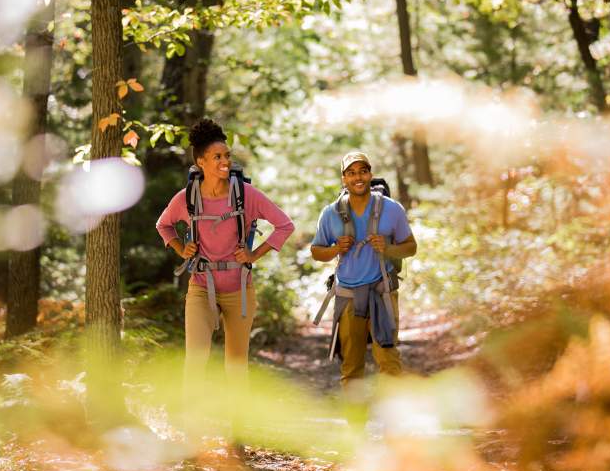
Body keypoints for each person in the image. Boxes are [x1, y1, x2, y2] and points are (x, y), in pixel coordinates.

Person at [156, 118, 294, 395]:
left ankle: (236, 433)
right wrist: (182, 249)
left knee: (236, 365)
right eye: (217, 156)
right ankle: (192, 431)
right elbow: (164, 225)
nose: (225, 161)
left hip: (239, 289)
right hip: (200, 286)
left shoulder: (246, 195)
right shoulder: (186, 198)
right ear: (200, 162)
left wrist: (254, 254)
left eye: (227, 155)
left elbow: (285, 225)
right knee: (194, 361)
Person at [310, 151, 417, 387]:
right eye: (351, 173)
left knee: (388, 361)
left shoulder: (392, 209)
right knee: (351, 366)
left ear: (370, 174)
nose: (358, 177)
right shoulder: (331, 213)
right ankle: (354, 423)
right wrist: (336, 248)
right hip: (348, 297)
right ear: (344, 179)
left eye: (363, 171)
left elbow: (411, 247)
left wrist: (388, 248)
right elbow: (316, 251)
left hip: (382, 293)